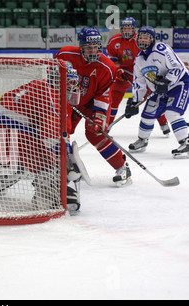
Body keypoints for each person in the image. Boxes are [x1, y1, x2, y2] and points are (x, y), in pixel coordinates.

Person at [0, 62, 83, 212]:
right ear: (58, 81)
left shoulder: (45, 89)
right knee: (49, 162)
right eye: (69, 82)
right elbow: (50, 136)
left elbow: (58, 133)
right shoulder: (51, 96)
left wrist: (67, 155)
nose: (72, 87)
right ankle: (46, 199)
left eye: (73, 83)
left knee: (26, 162)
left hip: (0, 132)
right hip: (10, 133)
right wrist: (66, 161)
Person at [55, 28, 132, 187]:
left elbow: (103, 95)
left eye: (96, 47)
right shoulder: (65, 55)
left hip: (91, 103)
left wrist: (99, 117)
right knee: (60, 129)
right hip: (69, 100)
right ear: (81, 46)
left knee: (95, 133)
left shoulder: (108, 67)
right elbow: (53, 80)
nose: (93, 50)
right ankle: (60, 166)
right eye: (89, 47)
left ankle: (122, 167)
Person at [125, 26, 189, 157]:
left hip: (179, 83)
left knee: (172, 112)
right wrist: (135, 101)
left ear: (152, 39)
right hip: (159, 90)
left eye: (146, 37)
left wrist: (167, 81)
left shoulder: (162, 49)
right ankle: (142, 140)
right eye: (140, 37)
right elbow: (139, 82)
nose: (143, 40)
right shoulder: (139, 60)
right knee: (148, 113)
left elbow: (177, 67)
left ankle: (186, 141)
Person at [107, 17, 169, 136]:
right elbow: (112, 60)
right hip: (124, 74)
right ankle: (108, 125)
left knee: (153, 98)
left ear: (133, 29)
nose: (126, 31)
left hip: (143, 73)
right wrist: (117, 69)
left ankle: (163, 123)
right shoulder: (114, 41)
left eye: (129, 29)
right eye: (124, 28)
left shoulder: (140, 40)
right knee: (114, 100)